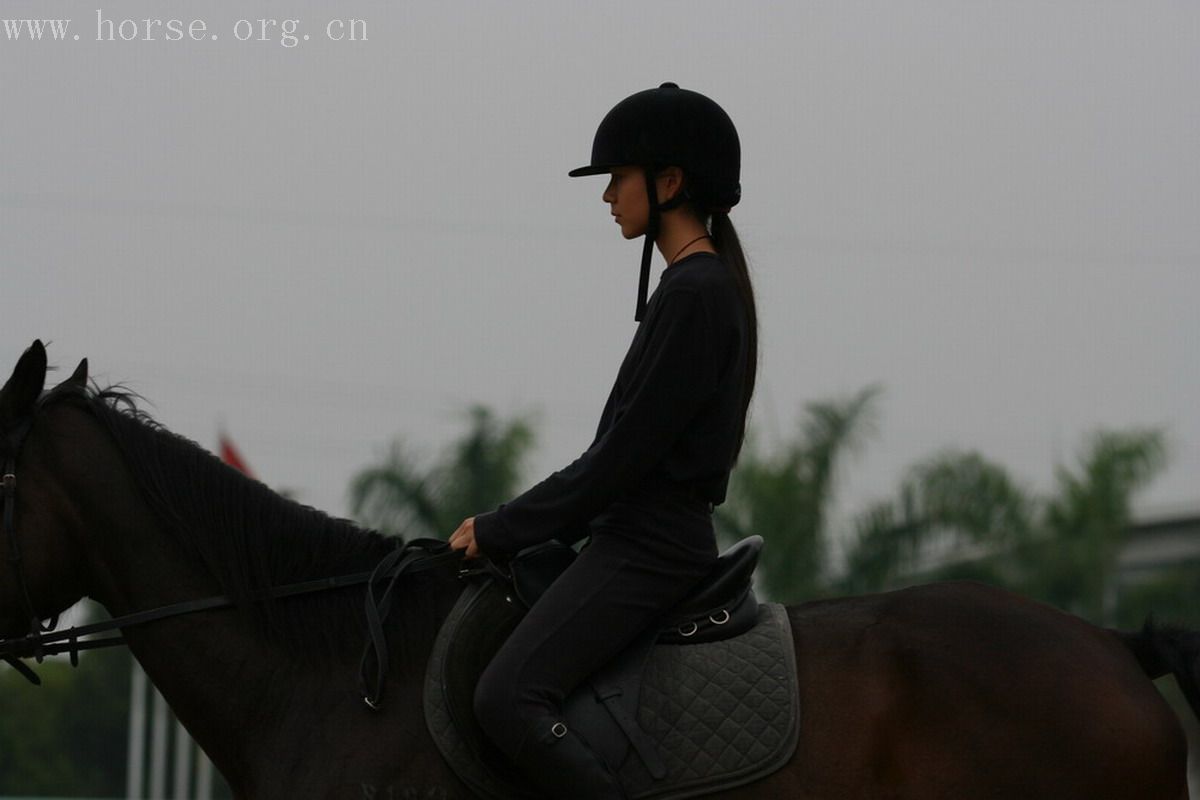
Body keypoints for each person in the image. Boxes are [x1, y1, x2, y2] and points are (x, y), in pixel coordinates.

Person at [448, 82, 757, 800]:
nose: (608, 196)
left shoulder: (694, 295)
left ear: (670, 183)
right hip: (637, 537)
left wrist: (501, 528)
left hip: (649, 547)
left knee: (506, 698)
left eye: (618, 178)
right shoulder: (697, 290)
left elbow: (617, 463)